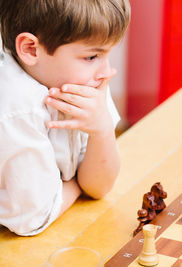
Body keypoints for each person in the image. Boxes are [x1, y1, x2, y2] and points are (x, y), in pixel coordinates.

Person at [0, 0, 131, 236]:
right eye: (92, 56)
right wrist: (76, 184)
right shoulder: (18, 108)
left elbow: (99, 187)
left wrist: (101, 131)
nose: (106, 72)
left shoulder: (86, 80)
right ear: (31, 49)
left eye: (108, 54)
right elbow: (33, 219)